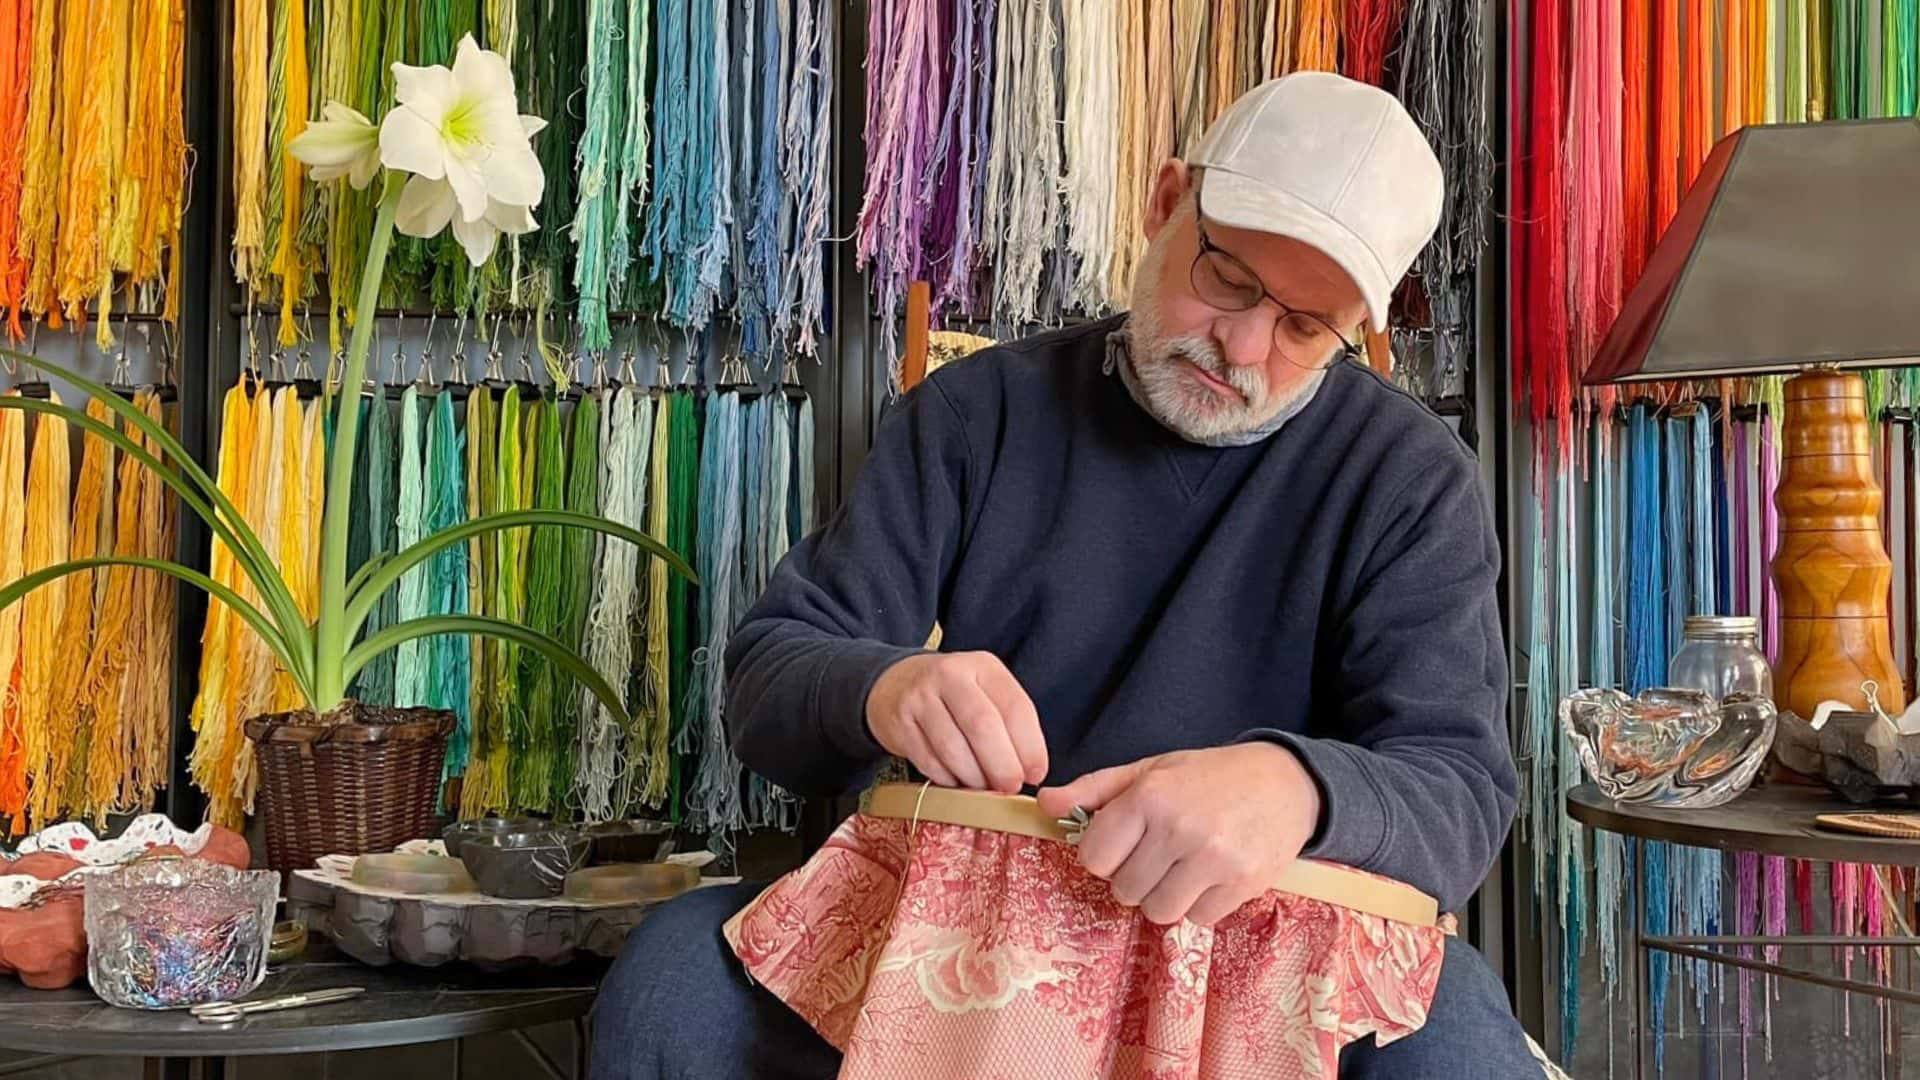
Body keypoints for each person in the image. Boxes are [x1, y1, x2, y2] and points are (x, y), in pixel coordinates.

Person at [592, 72, 1535, 1078]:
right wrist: (886, 688)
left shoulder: (1409, 477)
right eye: (1230, 279)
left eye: (1307, 328)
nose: (1246, 345)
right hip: (964, 922)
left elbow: (1462, 789)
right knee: (674, 987)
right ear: (1168, 202)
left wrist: (1295, 788)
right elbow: (768, 684)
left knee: (1461, 1046)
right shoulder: (976, 415)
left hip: (1276, 944)